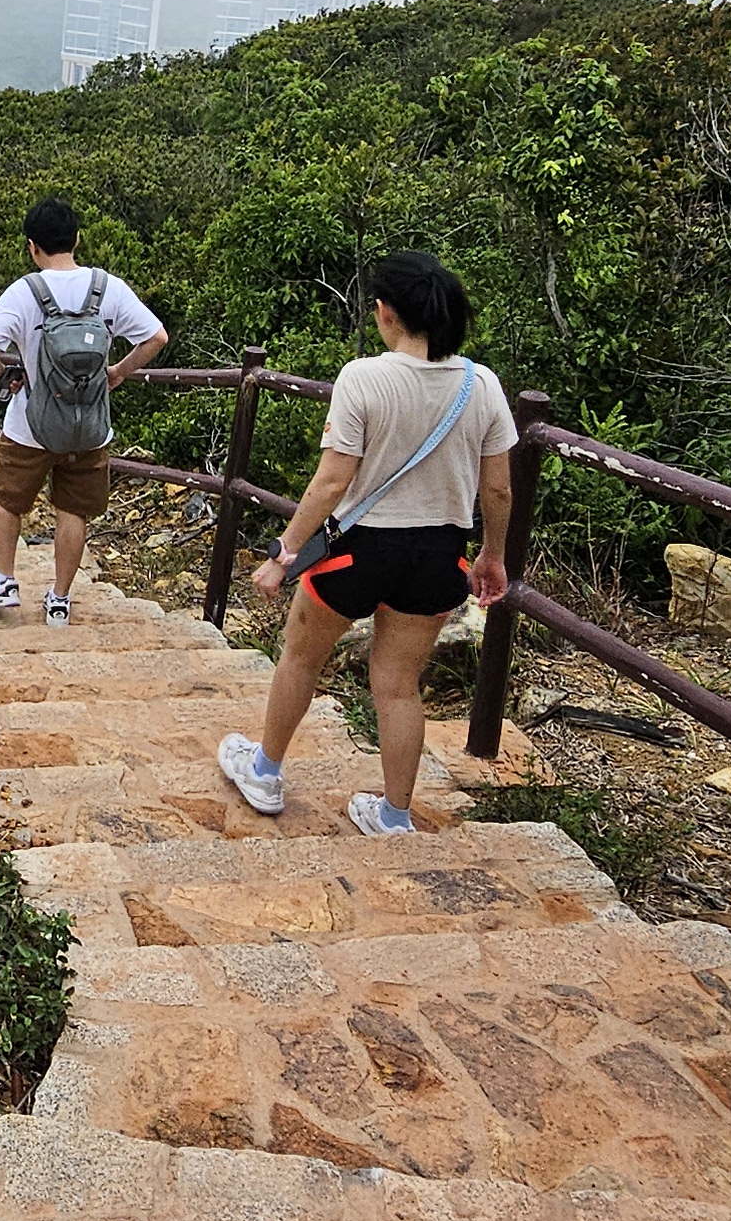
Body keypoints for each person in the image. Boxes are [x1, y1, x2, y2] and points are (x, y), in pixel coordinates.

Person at [220, 249, 514, 836]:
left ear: (386, 312)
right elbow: (500, 489)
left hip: (358, 550)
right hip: (438, 554)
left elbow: (333, 481)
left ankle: (265, 772)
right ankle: (394, 816)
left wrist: (284, 554)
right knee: (400, 687)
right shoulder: (481, 384)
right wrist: (493, 555)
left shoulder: (363, 377)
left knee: (301, 657)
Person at [0, 198, 167, 624]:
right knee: (72, 509)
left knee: (6, 499)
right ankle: (59, 598)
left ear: (32, 246)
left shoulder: (25, 292)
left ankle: (5, 580)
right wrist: (118, 372)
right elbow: (156, 337)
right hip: (89, 427)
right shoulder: (108, 288)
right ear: (76, 239)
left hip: (30, 425)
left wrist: (7, 377)